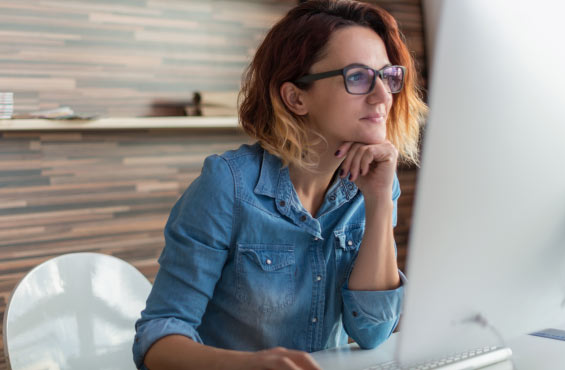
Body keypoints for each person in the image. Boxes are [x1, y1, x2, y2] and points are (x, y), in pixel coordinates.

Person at [133, 0, 427, 369]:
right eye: (358, 77)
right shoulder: (228, 186)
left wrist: (380, 200)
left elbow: (372, 332)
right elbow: (157, 337)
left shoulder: (375, 184)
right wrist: (249, 366)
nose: (383, 95)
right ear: (296, 97)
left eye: (388, 76)